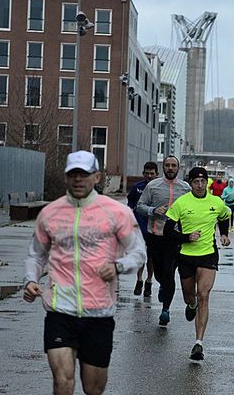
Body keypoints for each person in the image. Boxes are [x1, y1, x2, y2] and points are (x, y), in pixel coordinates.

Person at [23, 150, 146, 395]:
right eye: (73, 175)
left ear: (96, 177)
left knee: (93, 388)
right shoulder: (50, 213)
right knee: (63, 382)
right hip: (60, 310)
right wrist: (30, 280)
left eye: (84, 174)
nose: (78, 180)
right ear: (66, 178)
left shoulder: (116, 212)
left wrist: (117, 266)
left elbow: (139, 252)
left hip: (99, 313)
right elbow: (36, 254)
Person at [163, 167, 231, 361]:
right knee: (189, 296)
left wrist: (224, 234)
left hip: (208, 254)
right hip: (185, 255)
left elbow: (224, 217)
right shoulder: (181, 203)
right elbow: (167, 230)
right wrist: (185, 237)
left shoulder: (216, 202)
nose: (200, 185)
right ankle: (190, 305)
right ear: (190, 183)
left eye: (203, 182)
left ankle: (198, 344)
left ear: (207, 182)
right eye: (196, 182)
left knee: (203, 295)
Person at [136, 155, 191, 326]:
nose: (170, 168)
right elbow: (140, 206)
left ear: (178, 168)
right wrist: (153, 210)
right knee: (160, 273)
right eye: (167, 165)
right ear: (163, 168)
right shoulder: (153, 186)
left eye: (173, 165)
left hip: (174, 238)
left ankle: (165, 309)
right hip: (156, 236)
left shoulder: (186, 188)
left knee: (169, 272)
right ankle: (161, 284)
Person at [127, 161, 159, 297]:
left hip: (154, 228)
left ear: (157, 174)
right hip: (139, 227)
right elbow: (130, 204)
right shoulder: (137, 187)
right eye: (147, 173)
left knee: (151, 257)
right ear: (143, 174)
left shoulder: (159, 188)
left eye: (152, 174)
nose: (149, 176)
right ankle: (139, 280)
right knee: (140, 255)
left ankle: (149, 281)